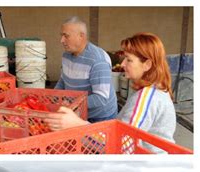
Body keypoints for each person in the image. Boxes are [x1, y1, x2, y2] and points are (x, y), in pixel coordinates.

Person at [44, 32, 176, 154]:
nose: (122, 64)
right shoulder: (154, 91)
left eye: (129, 60)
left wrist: (77, 125)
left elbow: (123, 146)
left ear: (147, 64)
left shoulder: (147, 98)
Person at [55, 16, 117, 122]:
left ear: (81, 36)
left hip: (100, 117)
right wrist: (54, 97)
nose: (62, 40)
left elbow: (101, 99)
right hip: (78, 112)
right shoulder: (66, 55)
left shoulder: (98, 60)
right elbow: (63, 80)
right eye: (61, 36)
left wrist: (72, 103)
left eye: (66, 36)